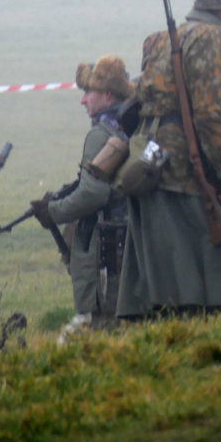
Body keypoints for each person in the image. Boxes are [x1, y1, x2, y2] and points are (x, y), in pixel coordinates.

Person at [116, 0, 221, 320]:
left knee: (173, 267)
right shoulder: (213, 38)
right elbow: (212, 113)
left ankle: (184, 332)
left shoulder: (159, 39)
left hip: (152, 162)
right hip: (189, 169)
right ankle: (204, 333)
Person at [31, 56, 133, 341]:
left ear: (108, 95)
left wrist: (54, 211)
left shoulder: (100, 135)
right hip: (126, 241)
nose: (83, 101)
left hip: (106, 246)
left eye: (89, 93)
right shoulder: (126, 126)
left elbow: (93, 193)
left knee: (97, 326)